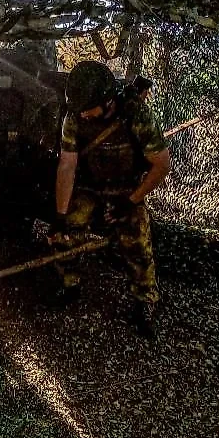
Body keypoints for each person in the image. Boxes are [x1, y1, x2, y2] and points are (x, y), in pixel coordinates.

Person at [53, 61, 171, 337]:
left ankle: (145, 299)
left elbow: (161, 165)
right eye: (78, 109)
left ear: (107, 102)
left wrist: (130, 201)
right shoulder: (74, 116)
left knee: (138, 240)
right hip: (89, 186)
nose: (82, 114)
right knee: (68, 229)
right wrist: (59, 216)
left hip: (126, 190)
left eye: (88, 109)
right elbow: (67, 167)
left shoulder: (137, 114)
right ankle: (70, 283)